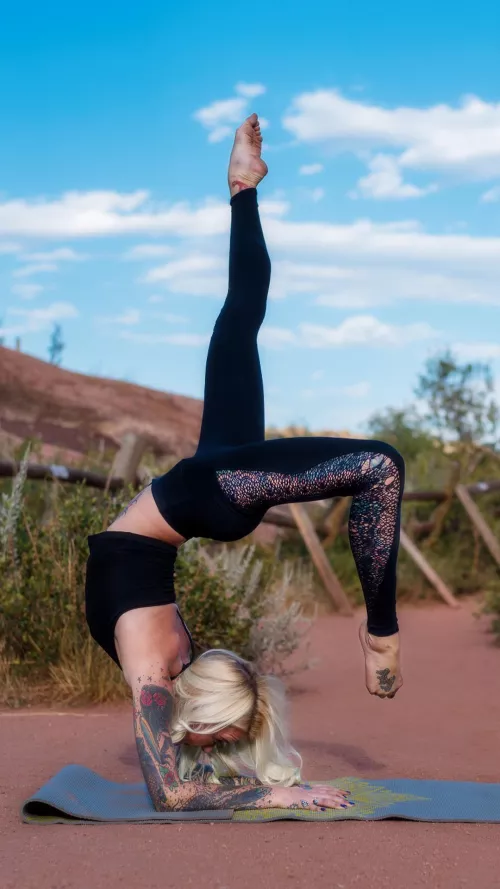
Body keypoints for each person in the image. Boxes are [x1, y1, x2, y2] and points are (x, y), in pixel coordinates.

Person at [85, 113, 404, 814]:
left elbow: (171, 792)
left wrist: (276, 794)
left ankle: (380, 631)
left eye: (220, 735)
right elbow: (188, 770)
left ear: (199, 711)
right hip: (189, 499)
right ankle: (241, 191)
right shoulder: (174, 672)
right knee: (241, 316)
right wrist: (276, 782)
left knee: (378, 468)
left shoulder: (151, 670)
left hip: (207, 497)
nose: (215, 746)